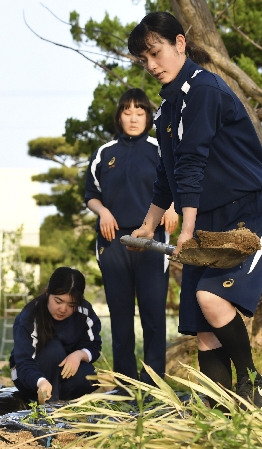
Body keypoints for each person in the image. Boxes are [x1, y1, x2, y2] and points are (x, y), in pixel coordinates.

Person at [128, 12, 262, 409]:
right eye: (144, 61)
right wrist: (148, 226)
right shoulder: (167, 107)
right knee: (203, 324)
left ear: (180, 42)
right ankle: (220, 409)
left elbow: (193, 161)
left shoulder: (205, 89)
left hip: (245, 210)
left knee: (212, 299)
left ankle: (253, 384)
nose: (152, 66)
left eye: (156, 53)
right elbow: (168, 174)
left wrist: (187, 229)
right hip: (205, 215)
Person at [85, 88, 178, 384]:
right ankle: (125, 383)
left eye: (140, 112)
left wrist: (174, 207)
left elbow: (179, 183)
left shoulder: (159, 148)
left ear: (148, 117)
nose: (134, 118)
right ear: (119, 116)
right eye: (128, 112)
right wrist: (103, 212)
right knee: (120, 314)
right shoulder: (104, 153)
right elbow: (91, 194)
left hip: (152, 241)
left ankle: (153, 382)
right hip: (113, 242)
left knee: (153, 313)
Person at [9, 267, 102, 403]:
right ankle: (47, 404)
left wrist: (79, 355)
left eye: (71, 305)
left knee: (88, 376)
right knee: (53, 349)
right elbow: (24, 363)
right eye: (58, 301)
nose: (63, 309)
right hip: (31, 377)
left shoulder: (84, 312)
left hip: (63, 375)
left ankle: (60, 401)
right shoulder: (29, 317)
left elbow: (94, 346)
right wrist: (40, 382)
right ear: (47, 293)